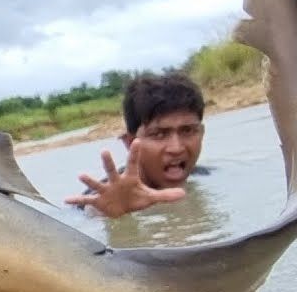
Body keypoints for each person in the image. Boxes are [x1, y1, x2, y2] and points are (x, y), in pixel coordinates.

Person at [64, 73, 207, 218]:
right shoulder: (98, 202)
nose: (176, 148)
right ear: (130, 142)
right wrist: (113, 218)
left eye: (187, 130)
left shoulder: (206, 176)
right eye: (159, 134)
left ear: (201, 133)